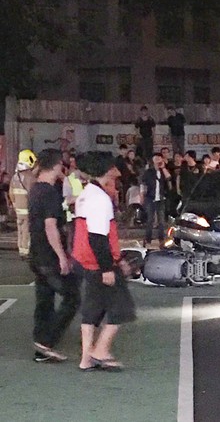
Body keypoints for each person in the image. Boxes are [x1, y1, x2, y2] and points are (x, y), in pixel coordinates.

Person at [72, 151, 136, 371]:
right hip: (99, 261)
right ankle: (100, 350)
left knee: (92, 308)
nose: (117, 171)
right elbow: (98, 237)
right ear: (106, 171)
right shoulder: (100, 199)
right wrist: (109, 267)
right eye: (114, 167)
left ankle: (86, 357)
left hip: (86, 260)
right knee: (121, 307)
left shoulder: (86, 194)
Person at [28, 149, 80, 363]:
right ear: (57, 165)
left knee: (45, 299)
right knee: (73, 296)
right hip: (49, 256)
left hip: (37, 253)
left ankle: (41, 342)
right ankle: (47, 341)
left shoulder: (37, 189)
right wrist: (61, 256)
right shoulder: (48, 192)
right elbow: (51, 227)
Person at [9, 149, 37, 258]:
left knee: (20, 230)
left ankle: (21, 249)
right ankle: (26, 252)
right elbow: (32, 194)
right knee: (26, 231)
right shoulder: (30, 177)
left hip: (18, 211)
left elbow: (11, 193)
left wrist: (14, 205)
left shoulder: (15, 177)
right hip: (27, 210)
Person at [141, 153, 172, 248]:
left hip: (161, 198)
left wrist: (163, 168)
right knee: (150, 219)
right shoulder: (148, 172)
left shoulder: (164, 171)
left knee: (161, 220)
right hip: (150, 197)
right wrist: (142, 196)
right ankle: (148, 239)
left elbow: (169, 178)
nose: (158, 160)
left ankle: (161, 240)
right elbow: (143, 184)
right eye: (156, 158)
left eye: (159, 158)